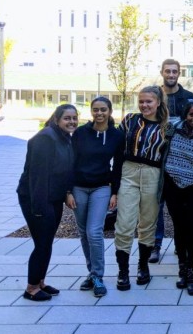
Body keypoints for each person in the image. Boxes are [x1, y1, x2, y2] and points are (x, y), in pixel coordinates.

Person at [16, 104, 79, 301]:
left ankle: (40, 281)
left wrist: (67, 192)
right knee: (42, 243)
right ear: (57, 119)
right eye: (67, 118)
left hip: (53, 197)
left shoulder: (64, 137)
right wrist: (39, 209)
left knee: (47, 242)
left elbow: (67, 170)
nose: (71, 122)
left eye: (74, 118)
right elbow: (38, 176)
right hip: (37, 197)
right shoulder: (45, 138)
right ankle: (31, 288)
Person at [69, 97, 124, 298]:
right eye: (95, 110)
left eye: (103, 110)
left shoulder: (116, 136)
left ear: (110, 111)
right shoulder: (81, 133)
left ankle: (98, 275)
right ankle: (92, 273)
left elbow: (118, 166)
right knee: (83, 232)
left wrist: (115, 192)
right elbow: (70, 161)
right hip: (79, 187)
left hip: (101, 187)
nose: (99, 113)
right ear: (91, 112)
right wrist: (67, 191)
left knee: (94, 231)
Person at [114, 86, 168, 291]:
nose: (144, 105)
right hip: (128, 172)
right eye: (142, 101)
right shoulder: (130, 120)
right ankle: (123, 271)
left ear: (158, 103)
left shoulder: (166, 127)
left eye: (149, 101)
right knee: (125, 222)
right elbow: (116, 149)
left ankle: (143, 266)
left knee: (148, 223)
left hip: (153, 175)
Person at [150, 58, 193, 263]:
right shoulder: (154, 96)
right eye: (167, 71)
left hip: (182, 159)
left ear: (179, 73)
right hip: (157, 157)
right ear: (161, 71)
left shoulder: (189, 97)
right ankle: (155, 244)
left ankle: (182, 243)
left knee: (183, 206)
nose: (171, 75)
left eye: (174, 71)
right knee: (156, 203)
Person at [161, 99, 193, 296]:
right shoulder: (172, 128)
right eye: (191, 115)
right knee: (178, 227)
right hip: (173, 184)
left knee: (191, 227)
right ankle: (182, 267)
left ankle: (192, 270)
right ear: (185, 115)